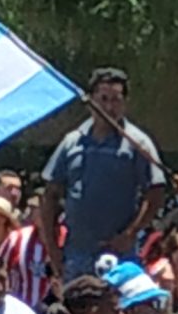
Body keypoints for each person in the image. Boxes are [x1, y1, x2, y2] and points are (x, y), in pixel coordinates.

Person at [38, 69, 167, 283]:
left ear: (125, 103)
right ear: (91, 101)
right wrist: (53, 250)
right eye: (103, 99)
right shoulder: (72, 142)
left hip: (120, 255)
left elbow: (156, 192)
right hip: (77, 253)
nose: (109, 107)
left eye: (116, 100)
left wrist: (130, 233)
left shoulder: (138, 143)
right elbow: (50, 195)